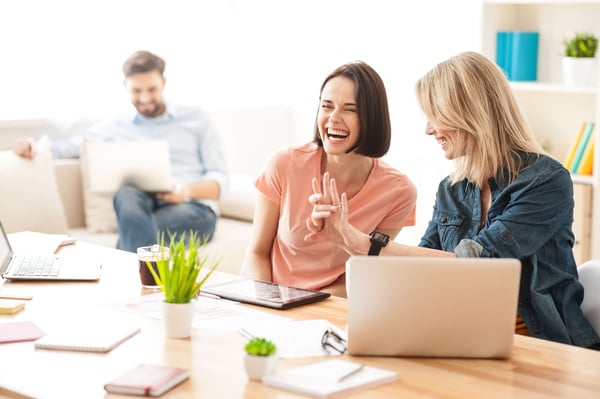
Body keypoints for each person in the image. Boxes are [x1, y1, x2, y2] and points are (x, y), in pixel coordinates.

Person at [306, 51, 600, 349]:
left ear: (470, 113)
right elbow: (422, 272)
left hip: (543, 345)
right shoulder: (451, 188)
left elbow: (479, 263)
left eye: (435, 116)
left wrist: (362, 243)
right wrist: (344, 240)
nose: (429, 129)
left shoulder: (545, 180)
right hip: (465, 339)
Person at [13, 50, 229, 253]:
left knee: (138, 232)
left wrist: (186, 191)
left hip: (192, 209)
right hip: (139, 208)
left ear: (163, 83)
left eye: (152, 89)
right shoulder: (115, 128)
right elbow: (70, 147)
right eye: (136, 90)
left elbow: (220, 180)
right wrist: (32, 145)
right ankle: (145, 287)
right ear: (125, 87)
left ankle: (126, 280)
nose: (145, 99)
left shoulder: (196, 118)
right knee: (126, 194)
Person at [240, 61, 417, 297]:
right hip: (269, 297)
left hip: (332, 304)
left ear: (372, 118)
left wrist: (309, 306)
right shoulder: (284, 163)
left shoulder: (398, 192)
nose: (333, 118)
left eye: (350, 109)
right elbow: (256, 253)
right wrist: (269, 304)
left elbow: (363, 271)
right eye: (327, 106)